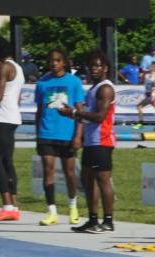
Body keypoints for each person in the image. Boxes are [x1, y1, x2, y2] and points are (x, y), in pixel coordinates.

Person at [60, 50, 116, 234]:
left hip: (102, 140)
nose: (94, 69)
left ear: (105, 68)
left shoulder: (105, 88)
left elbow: (100, 116)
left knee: (102, 179)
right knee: (87, 179)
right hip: (91, 141)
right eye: (91, 66)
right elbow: (87, 116)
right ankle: (92, 219)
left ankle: (108, 220)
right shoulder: (93, 88)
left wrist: (75, 113)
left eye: (98, 65)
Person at [34, 48, 84, 226]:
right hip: (46, 132)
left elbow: (80, 111)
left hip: (67, 133)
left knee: (70, 173)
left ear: (64, 62)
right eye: (51, 60)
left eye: (57, 60)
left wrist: (78, 135)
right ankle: (52, 211)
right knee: (48, 171)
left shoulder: (74, 82)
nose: (54, 64)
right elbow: (39, 111)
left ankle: (72, 206)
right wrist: (37, 133)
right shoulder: (42, 83)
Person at [0, 36, 23, 222]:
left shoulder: (3, 67)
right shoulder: (18, 68)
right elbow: (16, 97)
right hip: (14, 116)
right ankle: (14, 206)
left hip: (2, 117)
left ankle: (7, 205)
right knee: (7, 161)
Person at [136, 61, 155, 128]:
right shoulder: (147, 75)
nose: (151, 67)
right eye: (150, 66)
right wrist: (140, 76)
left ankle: (141, 123)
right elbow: (141, 81)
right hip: (147, 94)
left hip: (152, 95)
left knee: (139, 106)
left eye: (153, 66)